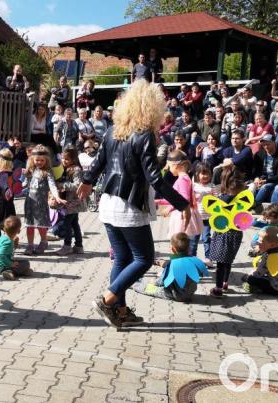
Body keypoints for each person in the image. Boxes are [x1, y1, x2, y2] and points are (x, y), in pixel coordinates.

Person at [77, 80, 190, 328]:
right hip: (129, 206)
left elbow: (97, 163)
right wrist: (182, 203)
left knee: (122, 258)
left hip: (108, 203)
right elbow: (155, 179)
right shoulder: (144, 136)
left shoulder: (112, 130)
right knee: (144, 258)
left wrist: (86, 181)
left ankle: (120, 310)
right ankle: (108, 300)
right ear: (153, 109)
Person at [207, 165, 246, 298]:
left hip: (224, 232)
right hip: (236, 232)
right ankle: (225, 283)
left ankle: (218, 289)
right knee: (228, 260)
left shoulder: (225, 197)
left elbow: (215, 208)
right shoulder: (242, 195)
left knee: (220, 263)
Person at [133, 233, 208, 302]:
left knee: (145, 287)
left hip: (175, 295)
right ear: (188, 248)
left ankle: (133, 284)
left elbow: (161, 283)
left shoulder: (172, 265)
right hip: (190, 294)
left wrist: (153, 282)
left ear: (172, 249)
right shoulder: (194, 260)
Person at [22, 145, 65, 255]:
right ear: (32, 159)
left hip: (40, 203)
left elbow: (52, 185)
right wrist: (15, 187)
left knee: (41, 225)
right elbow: (25, 184)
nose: (39, 162)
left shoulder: (48, 172)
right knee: (29, 225)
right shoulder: (30, 170)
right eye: (37, 160)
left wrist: (57, 196)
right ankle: (30, 245)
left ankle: (44, 241)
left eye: (42, 160)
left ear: (46, 160)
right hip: (30, 202)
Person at [242, 226, 278, 296]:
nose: (258, 242)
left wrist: (249, 275)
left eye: (261, 241)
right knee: (266, 277)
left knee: (250, 279)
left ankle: (255, 288)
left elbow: (258, 274)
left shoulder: (268, 257)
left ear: (272, 245)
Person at [55, 147, 86, 256]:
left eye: (67, 159)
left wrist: (62, 185)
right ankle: (79, 246)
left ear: (73, 159)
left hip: (73, 201)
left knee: (67, 224)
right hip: (70, 201)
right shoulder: (65, 168)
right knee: (74, 223)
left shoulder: (76, 170)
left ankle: (67, 246)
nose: (64, 161)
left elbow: (77, 185)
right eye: (63, 158)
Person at [0, 216, 33, 280]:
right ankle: (8, 273)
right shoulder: (8, 242)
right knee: (26, 264)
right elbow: (0, 254)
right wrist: (11, 264)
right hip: (1, 267)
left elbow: (0, 250)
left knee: (24, 262)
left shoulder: (3, 236)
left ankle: (22, 271)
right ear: (18, 231)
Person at [0, 148, 18, 241]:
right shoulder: (13, 174)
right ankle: (11, 242)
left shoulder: (0, 175)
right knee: (9, 227)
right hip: (9, 205)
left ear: (1, 162)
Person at [251, 135, 278, 205]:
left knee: (265, 187)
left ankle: (254, 205)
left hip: (274, 180)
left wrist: (265, 181)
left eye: (268, 144)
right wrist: (256, 178)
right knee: (252, 187)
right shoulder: (260, 154)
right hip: (262, 179)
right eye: (264, 144)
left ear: (274, 143)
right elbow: (256, 170)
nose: (266, 146)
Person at [192, 164, 217, 264]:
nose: (205, 176)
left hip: (208, 218)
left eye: (207, 174)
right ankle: (192, 259)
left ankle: (208, 259)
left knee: (206, 238)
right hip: (196, 217)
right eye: (203, 173)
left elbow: (216, 200)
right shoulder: (194, 186)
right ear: (197, 174)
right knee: (193, 241)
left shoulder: (212, 186)